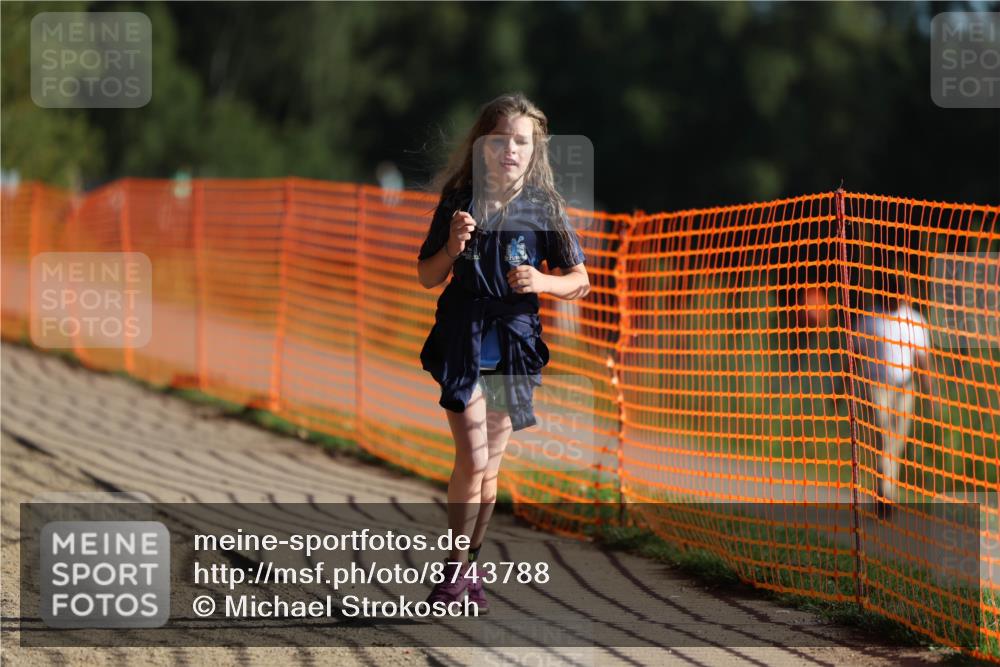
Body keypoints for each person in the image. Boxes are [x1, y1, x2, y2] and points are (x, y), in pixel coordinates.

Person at [415, 93, 590, 613]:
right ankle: (453, 572)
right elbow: (427, 276)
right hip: (464, 337)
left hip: (514, 342)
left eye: (522, 141)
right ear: (481, 146)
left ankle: (468, 567)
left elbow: (580, 280)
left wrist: (542, 281)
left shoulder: (544, 208)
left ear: (534, 151)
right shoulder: (459, 202)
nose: (510, 150)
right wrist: (450, 245)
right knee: (471, 456)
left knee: (489, 471)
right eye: (501, 140)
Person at [851, 275, 933, 507]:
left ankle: (884, 490)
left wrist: (930, 394)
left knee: (895, 442)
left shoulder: (915, 321)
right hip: (876, 386)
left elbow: (922, 361)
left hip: (905, 388)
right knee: (882, 435)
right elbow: (855, 355)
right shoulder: (871, 319)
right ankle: (885, 493)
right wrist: (843, 387)